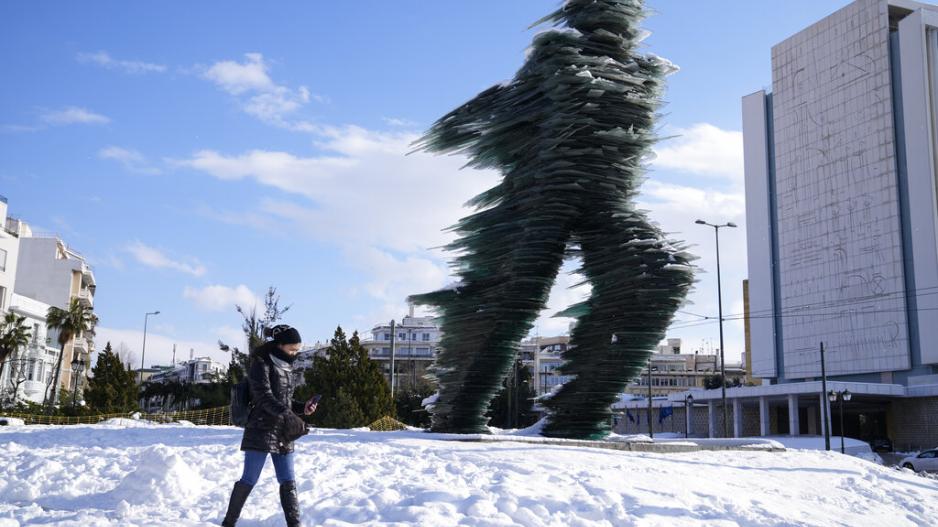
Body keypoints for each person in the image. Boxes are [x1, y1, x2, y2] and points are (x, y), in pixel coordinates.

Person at [222, 324, 318, 527]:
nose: (295, 353)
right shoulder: (261, 364)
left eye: (297, 350)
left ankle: (295, 524)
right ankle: (228, 523)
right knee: (249, 478)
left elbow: (286, 400)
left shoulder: (287, 366)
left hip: (284, 431)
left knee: (288, 480)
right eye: (292, 349)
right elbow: (263, 396)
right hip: (261, 429)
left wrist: (302, 408)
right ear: (279, 345)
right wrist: (287, 415)